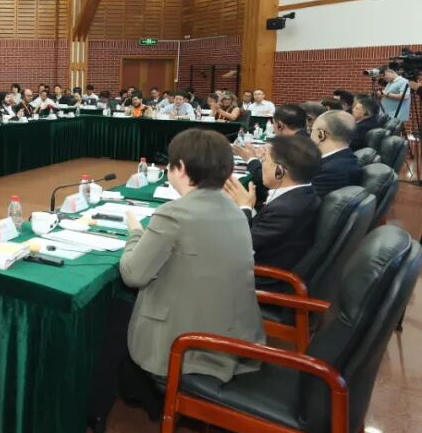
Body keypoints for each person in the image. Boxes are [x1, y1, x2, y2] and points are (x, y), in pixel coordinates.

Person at [120, 128, 265, 383]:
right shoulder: (236, 209)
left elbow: (132, 274)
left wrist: (135, 233)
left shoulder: (173, 213)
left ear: (180, 168)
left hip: (189, 346)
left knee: (117, 311)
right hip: (233, 335)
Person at [223, 134, 321, 271]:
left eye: (264, 160)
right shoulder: (302, 195)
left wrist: (244, 206)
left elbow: (239, 246)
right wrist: (248, 206)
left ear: (279, 171)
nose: (261, 165)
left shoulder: (286, 210)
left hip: (257, 275)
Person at [310, 110, 363, 197]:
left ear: (321, 134)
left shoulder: (329, 172)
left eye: (312, 130)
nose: (310, 135)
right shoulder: (347, 159)